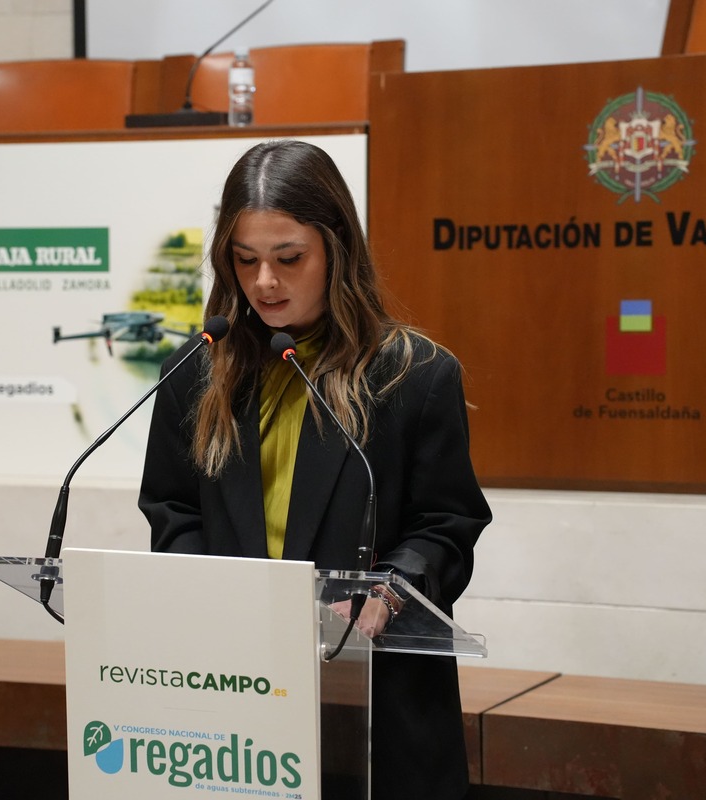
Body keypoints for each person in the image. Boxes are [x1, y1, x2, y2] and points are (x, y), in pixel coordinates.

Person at [139, 139, 492, 799]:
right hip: (237, 704)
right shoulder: (195, 371)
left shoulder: (415, 375)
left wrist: (391, 588)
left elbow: (446, 524)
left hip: (376, 708)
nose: (264, 283)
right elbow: (173, 511)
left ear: (337, 250)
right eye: (245, 260)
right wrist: (208, 596)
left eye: (289, 258)